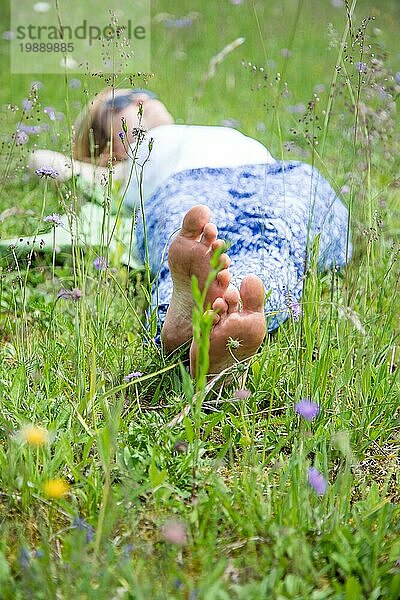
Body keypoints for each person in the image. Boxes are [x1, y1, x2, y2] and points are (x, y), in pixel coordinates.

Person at [33, 87, 353, 376]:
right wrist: (94, 163)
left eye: (140, 91)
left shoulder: (196, 131)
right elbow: (43, 160)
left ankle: (223, 317)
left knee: (281, 242)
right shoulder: (125, 167)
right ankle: (189, 324)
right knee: (193, 237)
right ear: (107, 143)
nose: (140, 99)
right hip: (187, 187)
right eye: (119, 103)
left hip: (279, 178)